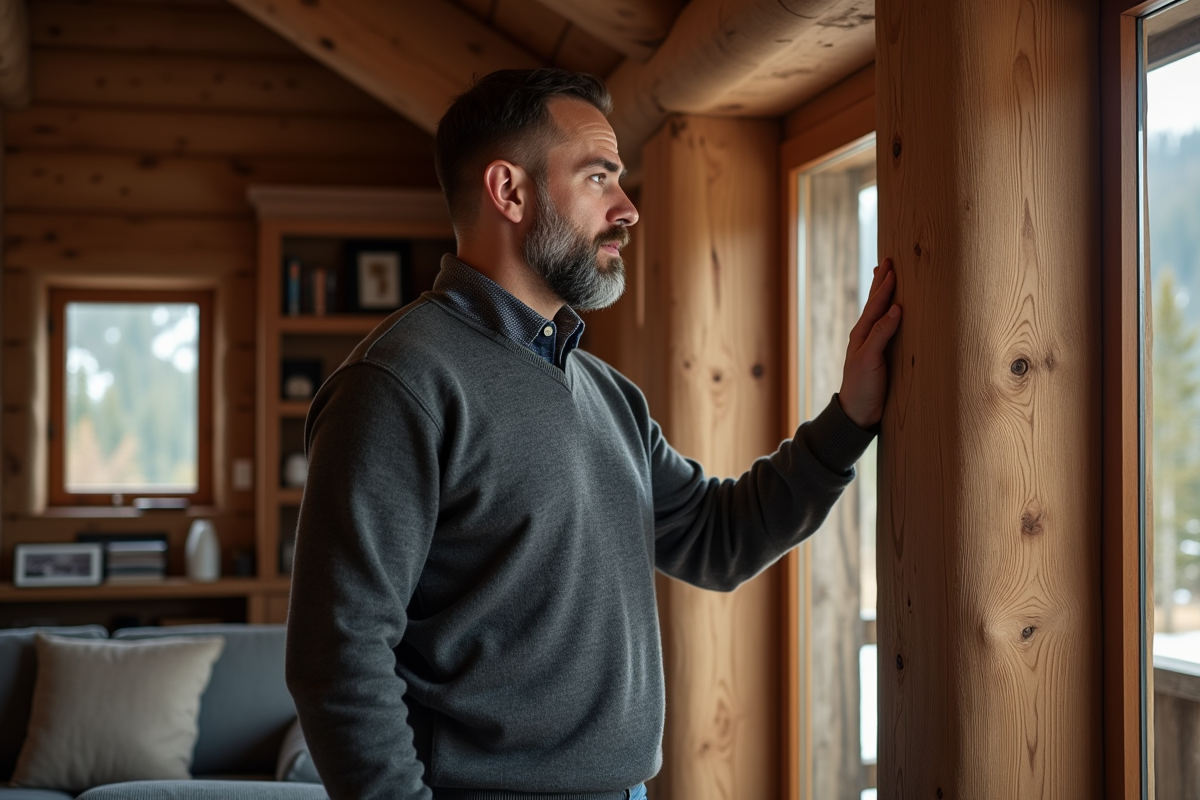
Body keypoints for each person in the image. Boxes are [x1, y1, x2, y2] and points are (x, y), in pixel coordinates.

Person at [285, 68, 901, 800]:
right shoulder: (398, 386)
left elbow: (718, 535)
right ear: (509, 191)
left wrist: (851, 418)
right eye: (599, 177)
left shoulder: (610, 396)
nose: (628, 207)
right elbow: (339, 653)